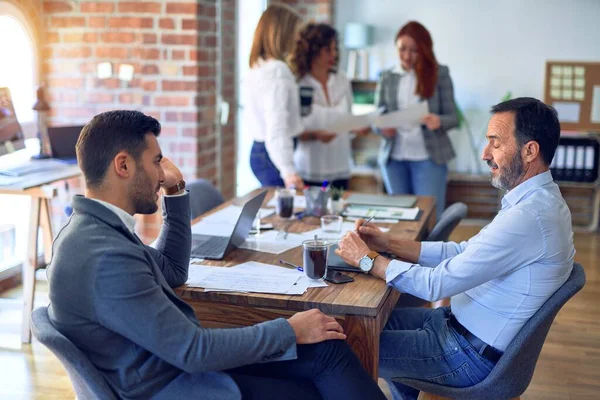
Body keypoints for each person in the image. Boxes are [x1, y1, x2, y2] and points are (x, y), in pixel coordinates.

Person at [47, 110, 385, 399]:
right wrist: (289, 329)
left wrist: (177, 193)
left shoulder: (94, 229)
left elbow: (173, 271)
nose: (162, 173)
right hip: (176, 384)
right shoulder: (104, 255)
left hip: (173, 366)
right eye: (156, 161)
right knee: (318, 375)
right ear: (123, 165)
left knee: (327, 351)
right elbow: (193, 352)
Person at [335, 98, 574, 399]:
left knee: (343, 347)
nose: (485, 154)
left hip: (465, 355)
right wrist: (387, 244)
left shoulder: (530, 217)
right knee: (362, 324)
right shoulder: (539, 201)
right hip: (453, 327)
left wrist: (367, 260)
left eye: (495, 143)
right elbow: (464, 251)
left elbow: (436, 285)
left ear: (530, 151)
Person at [243, 5, 334, 190]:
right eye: (295, 33)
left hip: (261, 151)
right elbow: (277, 128)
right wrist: (289, 172)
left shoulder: (258, 67)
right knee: (285, 214)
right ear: (282, 33)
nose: (298, 39)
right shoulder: (277, 71)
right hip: (274, 155)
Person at [375, 21, 459, 220]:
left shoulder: (440, 74)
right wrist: (382, 128)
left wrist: (438, 121)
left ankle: (432, 252)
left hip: (429, 158)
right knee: (398, 217)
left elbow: (453, 118)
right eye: (402, 49)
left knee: (428, 217)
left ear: (424, 50)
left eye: (414, 51)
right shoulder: (387, 76)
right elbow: (377, 118)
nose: (406, 56)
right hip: (394, 158)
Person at [290, 23, 368, 190]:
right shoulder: (298, 84)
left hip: (340, 169)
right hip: (309, 169)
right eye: (327, 50)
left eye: (335, 49)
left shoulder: (342, 80)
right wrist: (315, 136)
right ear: (312, 51)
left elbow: (349, 117)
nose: (333, 55)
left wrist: (357, 127)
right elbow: (291, 130)